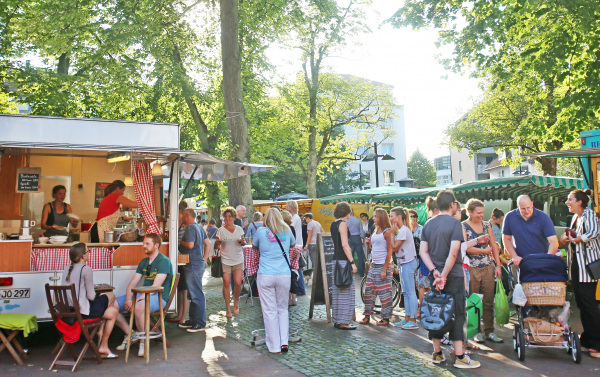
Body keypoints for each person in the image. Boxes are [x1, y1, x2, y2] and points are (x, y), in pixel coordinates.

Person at [420, 190, 480, 369]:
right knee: (457, 313)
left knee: (436, 311)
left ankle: (437, 353)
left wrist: (435, 273)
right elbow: (454, 253)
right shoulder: (456, 224)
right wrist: (444, 275)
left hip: (435, 276)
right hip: (453, 276)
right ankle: (460, 356)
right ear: (453, 205)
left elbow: (423, 252)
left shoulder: (428, 224)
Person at [114, 233, 173, 357]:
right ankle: (130, 333)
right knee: (111, 304)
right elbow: (132, 283)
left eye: (147, 244)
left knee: (139, 307)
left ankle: (143, 341)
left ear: (156, 245)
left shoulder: (164, 261)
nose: (144, 246)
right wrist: (129, 299)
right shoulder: (144, 262)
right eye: (143, 243)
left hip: (158, 297)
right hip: (142, 295)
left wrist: (135, 301)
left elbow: (155, 287)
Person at [560, 189, 600, 358]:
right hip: (578, 266)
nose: (567, 202)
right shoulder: (576, 217)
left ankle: (597, 343)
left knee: (589, 304)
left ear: (580, 202)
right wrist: (566, 238)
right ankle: (588, 339)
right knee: (582, 304)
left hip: (588, 268)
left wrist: (574, 239)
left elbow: (593, 233)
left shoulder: (589, 214)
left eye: (570, 199)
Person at [61, 243, 119, 358]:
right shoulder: (86, 269)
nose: (89, 254)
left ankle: (102, 336)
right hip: (82, 312)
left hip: (69, 311)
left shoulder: (67, 268)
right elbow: (91, 297)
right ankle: (102, 340)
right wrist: (91, 288)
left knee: (112, 311)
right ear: (83, 256)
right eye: (88, 251)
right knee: (111, 297)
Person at [253, 208, 297, 353]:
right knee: (282, 309)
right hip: (284, 274)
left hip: (266, 274)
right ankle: (284, 342)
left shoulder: (260, 231)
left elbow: (254, 246)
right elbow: (292, 245)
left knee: (269, 311)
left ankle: (274, 346)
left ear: (265, 218)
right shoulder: (287, 230)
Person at [462, 199, 503, 343]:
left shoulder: (487, 225)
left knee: (488, 301)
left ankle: (489, 331)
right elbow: (466, 248)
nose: (481, 215)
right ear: (470, 212)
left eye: (482, 212)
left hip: (487, 268)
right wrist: (486, 251)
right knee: (474, 301)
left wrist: (498, 265)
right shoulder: (464, 226)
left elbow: (494, 246)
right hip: (472, 269)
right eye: (478, 213)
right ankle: (475, 332)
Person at [178, 208, 211, 333]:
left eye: (182, 216)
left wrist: (179, 241)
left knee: (196, 294)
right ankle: (193, 320)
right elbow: (208, 243)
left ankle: (200, 323)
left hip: (192, 265)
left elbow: (190, 245)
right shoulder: (199, 227)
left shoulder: (191, 228)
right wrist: (204, 259)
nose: (181, 218)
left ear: (186, 216)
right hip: (197, 264)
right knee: (192, 294)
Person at [360, 208, 394, 326]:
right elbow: (375, 248)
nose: (373, 218)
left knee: (384, 293)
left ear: (381, 217)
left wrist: (385, 269)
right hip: (374, 264)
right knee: (369, 290)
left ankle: (386, 317)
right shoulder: (376, 230)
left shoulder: (387, 231)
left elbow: (390, 251)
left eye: (375, 216)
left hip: (383, 265)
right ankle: (367, 315)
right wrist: (370, 244)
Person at [502, 195, 559, 265]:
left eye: (528, 208)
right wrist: (514, 256)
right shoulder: (510, 217)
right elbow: (506, 239)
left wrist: (547, 259)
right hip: (520, 261)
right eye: (523, 209)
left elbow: (553, 242)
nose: (526, 211)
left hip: (540, 261)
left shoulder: (543, 217)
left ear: (532, 204)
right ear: (517, 206)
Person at [330, 202, 358, 330]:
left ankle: (337, 319)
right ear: (346, 212)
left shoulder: (333, 224)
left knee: (337, 292)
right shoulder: (343, 224)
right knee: (346, 292)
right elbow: (345, 245)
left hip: (335, 261)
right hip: (343, 262)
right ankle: (344, 322)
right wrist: (352, 262)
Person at [390, 207, 418, 330]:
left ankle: (413, 320)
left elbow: (395, 247)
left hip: (408, 262)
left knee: (410, 292)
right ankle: (407, 318)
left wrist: (391, 233)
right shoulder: (402, 230)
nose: (390, 218)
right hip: (404, 263)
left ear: (399, 217)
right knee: (406, 292)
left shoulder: (403, 231)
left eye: (392, 216)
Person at [214, 207, 245, 317]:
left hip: (238, 258)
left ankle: (236, 301)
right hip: (226, 259)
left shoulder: (239, 229)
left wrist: (242, 242)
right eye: (226, 216)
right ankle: (228, 308)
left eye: (229, 216)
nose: (227, 218)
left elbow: (243, 242)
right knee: (226, 282)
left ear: (233, 217)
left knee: (237, 282)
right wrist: (218, 243)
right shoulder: (221, 230)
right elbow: (216, 246)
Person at [168, 202, 190, 325]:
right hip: (179, 257)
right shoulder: (179, 223)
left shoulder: (185, 225)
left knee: (184, 288)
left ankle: (183, 316)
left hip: (184, 258)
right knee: (181, 287)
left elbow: (186, 241)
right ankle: (180, 314)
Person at [410, 209, 429, 316]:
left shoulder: (421, 229)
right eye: (411, 216)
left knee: (423, 285)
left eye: (414, 216)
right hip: (410, 260)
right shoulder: (406, 229)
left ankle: (422, 308)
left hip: (421, 261)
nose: (413, 218)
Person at [286, 200, 305, 296]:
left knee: (297, 267)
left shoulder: (295, 218)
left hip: (296, 245)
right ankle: (300, 289)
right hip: (297, 244)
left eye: (287, 206)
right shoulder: (296, 217)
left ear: (290, 207)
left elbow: (289, 228)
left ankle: (300, 289)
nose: (285, 207)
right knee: (297, 267)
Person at [346, 209, 366, 278]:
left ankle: (350, 272)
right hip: (357, 238)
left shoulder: (346, 221)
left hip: (350, 239)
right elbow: (362, 234)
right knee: (360, 256)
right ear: (353, 213)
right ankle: (361, 273)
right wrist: (363, 237)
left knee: (350, 257)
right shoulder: (358, 220)